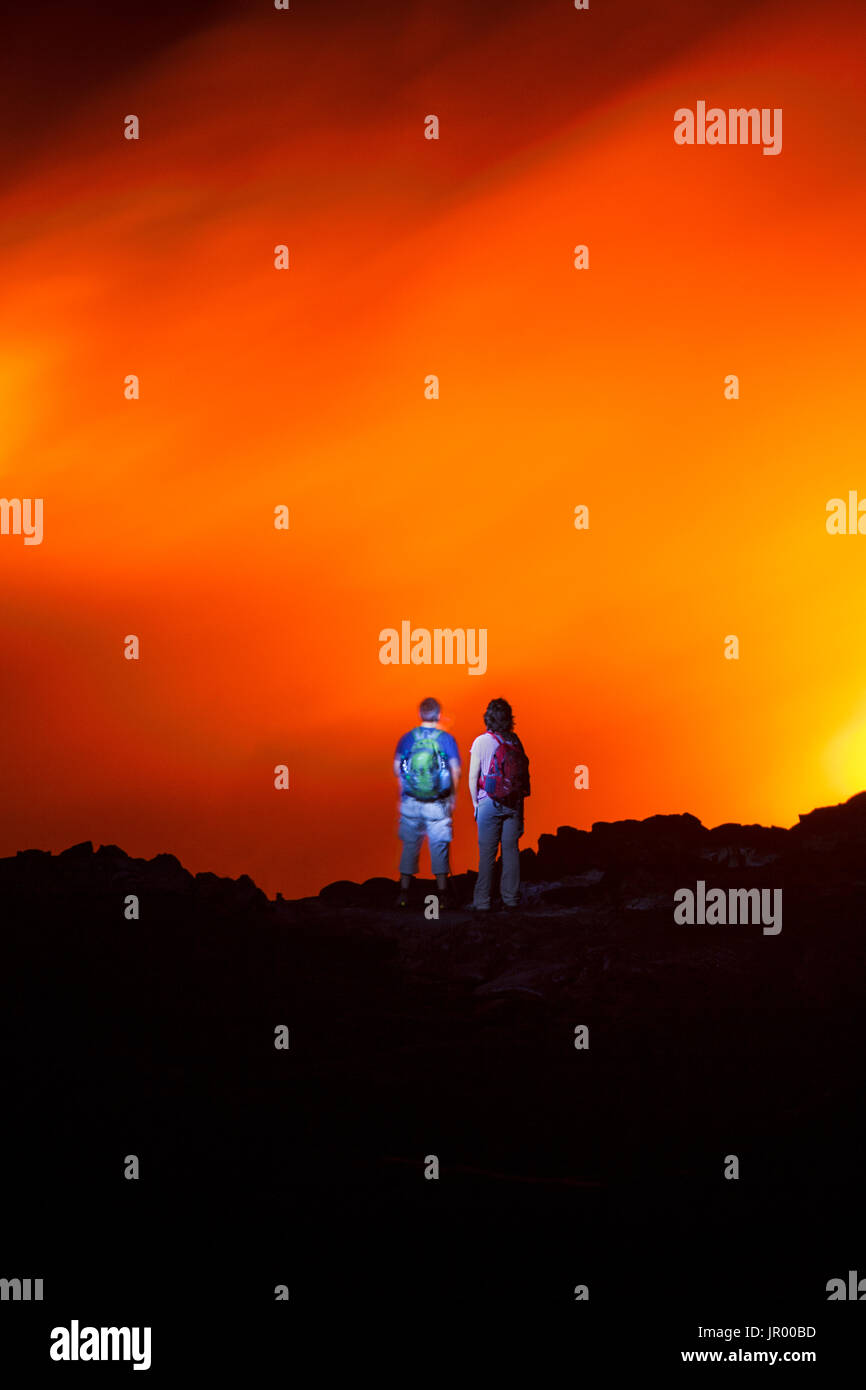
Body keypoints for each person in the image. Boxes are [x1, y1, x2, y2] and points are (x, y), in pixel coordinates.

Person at [394, 698, 461, 908]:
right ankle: (442, 897)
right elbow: (455, 770)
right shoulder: (446, 739)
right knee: (439, 846)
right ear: (438, 715)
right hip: (438, 802)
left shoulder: (407, 738)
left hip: (411, 802)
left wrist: (406, 789)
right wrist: (452, 797)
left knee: (410, 846)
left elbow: (398, 768)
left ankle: (404, 895)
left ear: (420, 714)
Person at [468, 697, 530, 912]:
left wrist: (476, 804)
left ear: (488, 717)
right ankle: (510, 900)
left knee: (487, 855)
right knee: (511, 852)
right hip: (513, 804)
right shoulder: (515, 740)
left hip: (488, 802)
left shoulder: (480, 741)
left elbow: (472, 777)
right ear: (509, 719)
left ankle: (482, 902)